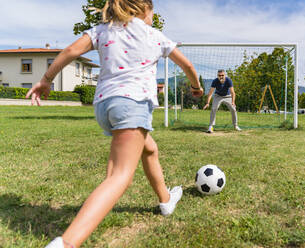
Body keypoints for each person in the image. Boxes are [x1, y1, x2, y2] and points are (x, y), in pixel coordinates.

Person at [26, 1, 203, 247]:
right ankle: (66, 243)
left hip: (105, 106)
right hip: (132, 105)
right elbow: (188, 66)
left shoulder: (103, 29)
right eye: (153, 12)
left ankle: (165, 200)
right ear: (144, 10)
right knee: (120, 177)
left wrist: (46, 79)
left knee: (149, 149)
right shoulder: (155, 35)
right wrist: (196, 87)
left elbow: (70, 52)